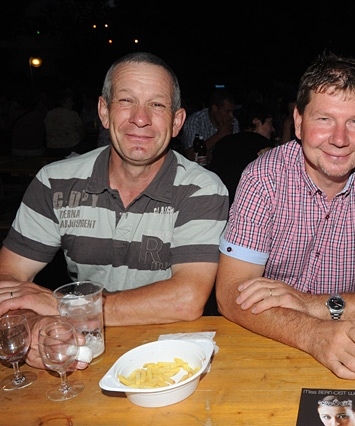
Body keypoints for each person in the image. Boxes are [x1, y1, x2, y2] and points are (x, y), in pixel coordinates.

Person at [215, 52, 355, 383]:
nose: (340, 139)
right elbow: (230, 294)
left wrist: (314, 306)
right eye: (324, 119)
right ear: (298, 122)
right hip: (271, 341)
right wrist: (312, 333)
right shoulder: (264, 177)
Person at [0, 52, 229, 357]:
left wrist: (65, 306)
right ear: (104, 112)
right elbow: (8, 277)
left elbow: (186, 299)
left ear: (177, 122)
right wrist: (32, 325)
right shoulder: (55, 182)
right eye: (126, 100)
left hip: (169, 353)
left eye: (157, 105)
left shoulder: (202, 190)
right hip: (84, 346)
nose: (140, 118)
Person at [209, 101, 275, 204]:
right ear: (257, 122)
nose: (273, 129)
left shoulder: (223, 142)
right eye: (270, 123)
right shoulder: (264, 146)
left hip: (218, 203)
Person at [180, 87, 240, 163]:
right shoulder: (196, 121)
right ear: (214, 108)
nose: (231, 116)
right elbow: (190, 155)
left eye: (232, 112)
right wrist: (219, 135)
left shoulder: (233, 122)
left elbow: (235, 153)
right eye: (227, 111)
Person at [44, 88, 87, 156]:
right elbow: (82, 133)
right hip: (71, 147)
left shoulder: (49, 114)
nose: (72, 103)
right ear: (63, 102)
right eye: (70, 101)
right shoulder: (72, 114)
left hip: (52, 148)